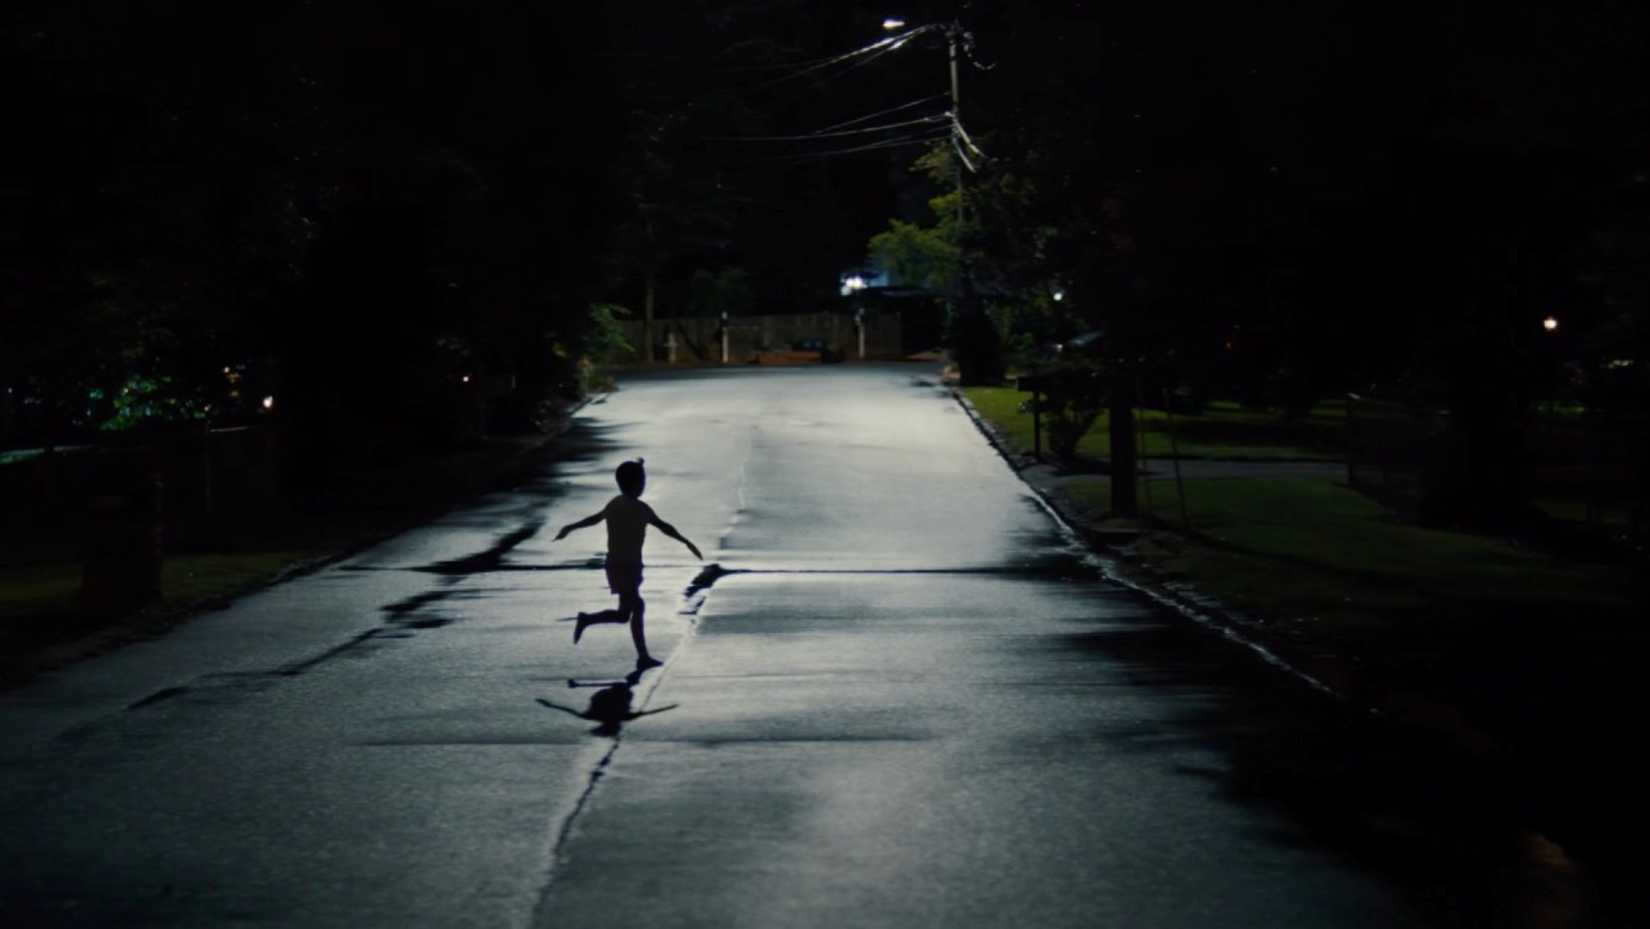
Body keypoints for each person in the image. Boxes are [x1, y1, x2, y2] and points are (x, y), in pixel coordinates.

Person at [554, 458, 702, 671]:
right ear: (634, 484)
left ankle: (587, 620)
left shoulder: (616, 504)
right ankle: (642, 657)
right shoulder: (640, 509)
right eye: (642, 481)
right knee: (637, 606)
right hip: (624, 567)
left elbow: (594, 519)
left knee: (624, 614)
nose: (644, 485)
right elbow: (664, 527)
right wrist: (685, 541)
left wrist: (571, 527)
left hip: (623, 565)